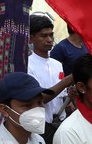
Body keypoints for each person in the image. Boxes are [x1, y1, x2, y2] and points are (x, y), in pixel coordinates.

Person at [27, 15, 74, 144]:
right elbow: (40, 98)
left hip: (61, 124)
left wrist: (70, 97)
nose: (49, 39)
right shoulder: (27, 66)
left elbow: (63, 97)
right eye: (44, 36)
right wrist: (66, 81)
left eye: (51, 35)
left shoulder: (57, 64)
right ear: (31, 38)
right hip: (42, 127)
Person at [0, 71, 54, 144]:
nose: (37, 110)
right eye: (27, 105)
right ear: (5, 110)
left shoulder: (39, 140)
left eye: (39, 102)